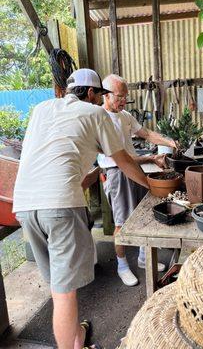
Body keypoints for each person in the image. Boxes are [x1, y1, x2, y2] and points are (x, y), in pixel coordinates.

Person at [13, 69, 149, 349]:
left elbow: (55, 154)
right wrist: (150, 184)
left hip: (25, 205)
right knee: (64, 293)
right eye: (100, 95)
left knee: (59, 286)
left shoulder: (41, 109)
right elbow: (123, 160)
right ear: (91, 93)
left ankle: (76, 340)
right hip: (60, 205)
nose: (101, 100)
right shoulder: (95, 113)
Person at [98, 74, 177, 287]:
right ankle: (122, 266)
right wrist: (151, 157)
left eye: (126, 96)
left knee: (144, 213)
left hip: (134, 168)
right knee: (122, 223)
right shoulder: (98, 117)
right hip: (116, 173)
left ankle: (144, 258)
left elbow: (147, 133)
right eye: (120, 96)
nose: (124, 101)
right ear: (105, 94)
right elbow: (119, 156)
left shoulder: (124, 116)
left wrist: (168, 140)